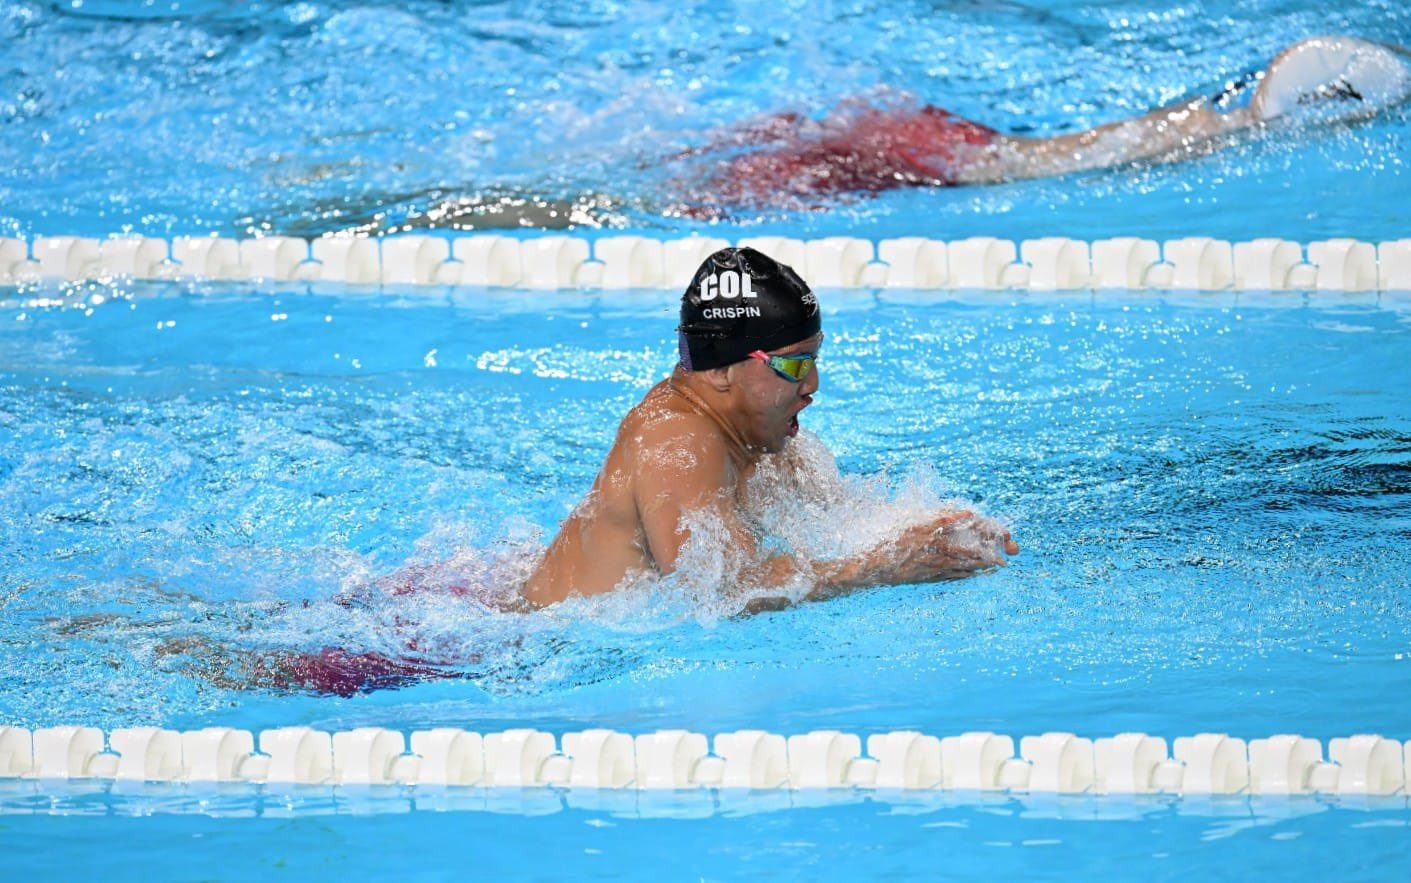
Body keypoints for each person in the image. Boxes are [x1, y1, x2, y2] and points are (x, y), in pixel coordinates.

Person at [521, 246, 1019, 611]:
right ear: (720, 369)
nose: (813, 385)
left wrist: (930, 533)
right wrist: (883, 569)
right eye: (794, 365)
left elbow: (841, 521)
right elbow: (717, 591)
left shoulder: (758, 436)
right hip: (539, 650)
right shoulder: (677, 440)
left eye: (815, 359)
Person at [675, 35, 1411, 212]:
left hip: (886, 141)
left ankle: (1251, 117)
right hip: (872, 135)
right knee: (1037, 157)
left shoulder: (705, 181)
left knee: (1036, 161)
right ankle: (1246, 115)